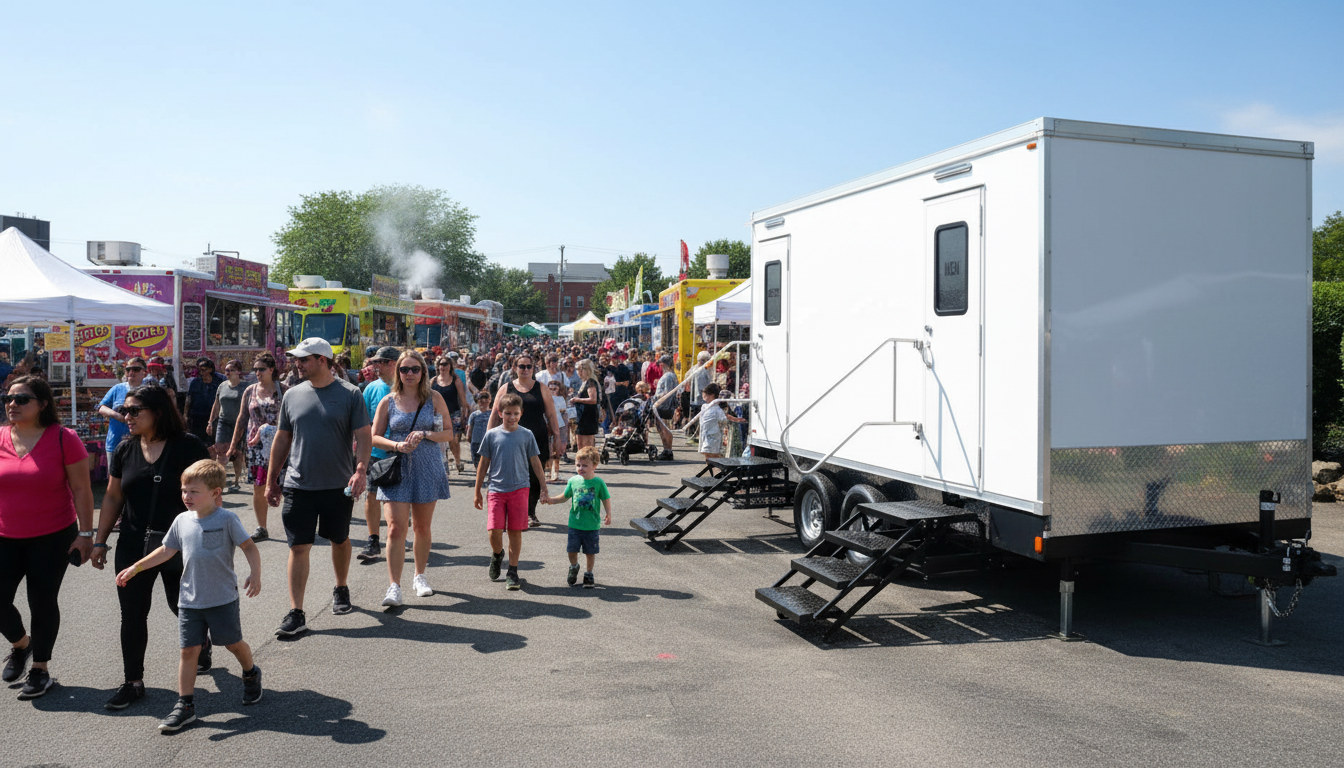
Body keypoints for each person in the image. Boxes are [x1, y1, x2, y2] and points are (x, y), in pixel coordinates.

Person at [115, 460, 262, 731]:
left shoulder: (227, 519)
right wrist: (136, 567)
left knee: (232, 644)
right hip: (189, 600)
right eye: (184, 491)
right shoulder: (181, 521)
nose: (186, 497)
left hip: (221, 599)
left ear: (216, 493)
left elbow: (249, 547)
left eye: (193, 491)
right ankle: (185, 705)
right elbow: (166, 551)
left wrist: (255, 574)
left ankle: (251, 673)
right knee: (188, 651)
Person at [92, 384, 211, 711]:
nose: (125, 416)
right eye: (124, 410)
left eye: (133, 411)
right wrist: (100, 541)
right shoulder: (126, 449)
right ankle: (133, 681)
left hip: (180, 545)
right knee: (132, 614)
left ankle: (202, 640)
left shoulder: (188, 447)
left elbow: (210, 495)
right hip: (133, 544)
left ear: (157, 412)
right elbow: (114, 496)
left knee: (181, 607)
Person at [266, 338, 371, 636]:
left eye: (303, 360)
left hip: (338, 484)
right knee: (299, 546)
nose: (297, 364)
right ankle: (296, 611)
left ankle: (340, 587)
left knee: (339, 538)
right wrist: (272, 480)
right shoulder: (292, 395)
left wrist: (360, 470)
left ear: (322, 360)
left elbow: (364, 435)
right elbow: (282, 439)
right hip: (299, 484)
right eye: (297, 360)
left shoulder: (350, 394)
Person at [0, 376, 95, 700]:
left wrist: (86, 534)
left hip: (52, 536)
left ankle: (40, 667)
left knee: (41, 602)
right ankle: (20, 644)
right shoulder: (0, 438)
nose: (12, 404)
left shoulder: (63, 438)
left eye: (21, 399)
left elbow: (82, 490)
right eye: (8, 399)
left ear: (42, 404)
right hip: (4, 535)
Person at [370, 351, 453, 606]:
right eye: (404, 369)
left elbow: (449, 432)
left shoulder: (434, 397)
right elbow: (374, 436)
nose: (409, 374)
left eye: (415, 369)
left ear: (423, 372)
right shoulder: (388, 401)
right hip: (397, 468)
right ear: (398, 373)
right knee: (395, 527)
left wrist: (426, 433)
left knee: (421, 527)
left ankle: (419, 576)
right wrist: (396, 446)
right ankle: (394, 585)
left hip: (427, 466)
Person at [473, 393, 547, 591]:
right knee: (494, 530)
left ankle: (512, 571)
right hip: (496, 488)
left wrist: (543, 486)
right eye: (507, 413)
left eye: (515, 413)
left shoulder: (526, 435)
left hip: (519, 488)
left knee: (515, 531)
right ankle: (498, 555)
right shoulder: (492, 435)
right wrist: (477, 490)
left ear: (521, 413)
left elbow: (535, 462)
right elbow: (484, 463)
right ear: (499, 413)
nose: (512, 417)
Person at [488, 354, 561, 528]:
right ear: (515, 368)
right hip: (510, 440)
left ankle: (530, 513)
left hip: (537, 438)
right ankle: (510, 512)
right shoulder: (506, 388)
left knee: (535, 477)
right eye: (522, 366)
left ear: (534, 368)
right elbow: (494, 415)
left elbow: (551, 414)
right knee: (512, 475)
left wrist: (558, 437)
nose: (526, 370)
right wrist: (489, 437)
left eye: (529, 366)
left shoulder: (541, 388)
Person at [228, 353, 285, 541]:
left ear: (271, 370)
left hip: (281, 446)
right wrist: (233, 445)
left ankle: (298, 524)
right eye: (255, 370)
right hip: (256, 448)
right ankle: (262, 527)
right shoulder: (250, 390)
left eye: (261, 369)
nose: (258, 373)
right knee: (259, 486)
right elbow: (242, 418)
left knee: (287, 486)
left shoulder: (283, 390)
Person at [541, 445, 610, 589]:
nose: (581, 468)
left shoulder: (598, 483)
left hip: (591, 525)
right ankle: (574, 566)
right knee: (571, 550)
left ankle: (589, 574)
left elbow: (605, 498)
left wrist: (608, 513)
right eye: (578, 465)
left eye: (585, 465)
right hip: (574, 524)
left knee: (590, 552)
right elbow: (565, 496)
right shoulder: (573, 481)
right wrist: (551, 500)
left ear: (595, 466)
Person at [357, 346, 399, 563]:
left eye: (378, 363)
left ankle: (397, 533)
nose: (374, 367)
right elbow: (362, 420)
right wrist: (358, 445)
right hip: (374, 451)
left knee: (394, 501)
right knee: (371, 495)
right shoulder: (371, 388)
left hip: (401, 453)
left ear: (391, 364)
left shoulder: (408, 387)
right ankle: (373, 540)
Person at [97, 356, 149, 469]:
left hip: (141, 443)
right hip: (116, 442)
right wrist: (116, 415)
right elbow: (101, 407)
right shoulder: (117, 389)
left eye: (135, 369)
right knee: (114, 479)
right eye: (128, 369)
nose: (131, 372)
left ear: (144, 372)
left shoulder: (148, 391)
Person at [207, 359, 247, 490]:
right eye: (226, 371)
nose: (228, 373)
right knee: (220, 451)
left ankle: (236, 481)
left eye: (231, 370)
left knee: (237, 453)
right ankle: (220, 482)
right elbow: (216, 404)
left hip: (239, 423)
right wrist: (210, 422)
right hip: (223, 422)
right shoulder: (222, 386)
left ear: (238, 372)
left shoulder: (245, 387)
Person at [430, 354, 469, 475]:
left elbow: (463, 399)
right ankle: (445, 464)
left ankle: (457, 461)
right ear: (438, 366)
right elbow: (428, 399)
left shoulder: (456, 380)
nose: (443, 367)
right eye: (441, 364)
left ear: (450, 366)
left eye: (446, 364)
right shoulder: (433, 381)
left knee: (454, 441)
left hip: (454, 414)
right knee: (441, 442)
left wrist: (465, 413)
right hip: (438, 416)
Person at [697, 382, 746, 465]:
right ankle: (713, 472)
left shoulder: (716, 409)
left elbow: (725, 417)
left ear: (712, 395)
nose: (703, 396)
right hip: (705, 434)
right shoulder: (704, 406)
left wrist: (737, 420)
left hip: (713, 435)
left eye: (704, 394)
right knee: (707, 454)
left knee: (713, 455)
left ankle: (718, 471)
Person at [184, 358, 221, 446]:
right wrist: (185, 414)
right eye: (200, 370)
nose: (202, 372)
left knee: (211, 442)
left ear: (210, 370)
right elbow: (189, 398)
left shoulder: (218, 382)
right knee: (196, 440)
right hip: (196, 416)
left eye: (204, 370)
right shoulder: (195, 382)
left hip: (212, 417)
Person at [652, 354, 679, 460]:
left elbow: (667, 392)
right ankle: (667, 449)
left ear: (663, 364)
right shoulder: (671, 375)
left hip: (664, 405)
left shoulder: (668, 376)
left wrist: (656, 398)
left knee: (664, 428)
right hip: (665, 404)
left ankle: (667, 450)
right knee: (663, 428)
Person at [572, 359, 602, 451]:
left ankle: (589, 461)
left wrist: (577, 399)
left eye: (582, 370)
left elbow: (593, 399)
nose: (579, 372)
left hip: (588, 415)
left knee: (587, 443)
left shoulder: (591, 382)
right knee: (580, 440)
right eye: (578, 370)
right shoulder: (585, 382)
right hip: (582, 415)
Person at [546, 380, 569, 482]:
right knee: (548, 450)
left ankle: (556, 472)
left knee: (557, 450)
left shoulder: (560, 399)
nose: (552, 391)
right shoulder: (545, 398)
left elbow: (563, 414)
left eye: (554, 389)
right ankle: (549, 472)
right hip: (547, 425)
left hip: (559, 425)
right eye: (550, 389)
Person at [466, 392, 492, 468]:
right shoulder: (474, 415)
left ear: (489, 401)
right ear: (477, 402)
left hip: (488, 443)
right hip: (476, 442)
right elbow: (470, 427)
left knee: (488, 464)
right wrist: (468, 436)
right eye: (481, 402)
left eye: (486, 401)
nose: (483, 404)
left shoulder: (492, 414)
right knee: (477, 464)